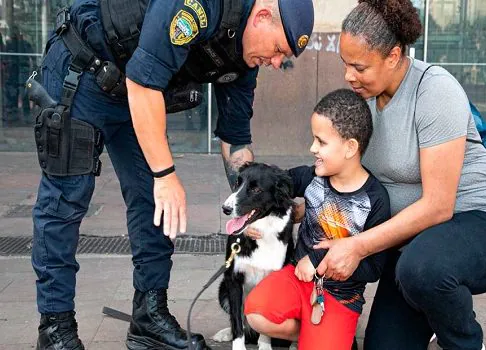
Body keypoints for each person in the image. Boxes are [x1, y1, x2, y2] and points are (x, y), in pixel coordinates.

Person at [31, 0, 314, 349]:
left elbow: (236, 144)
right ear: (262, 16)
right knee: (65, 201)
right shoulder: (200, 6)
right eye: (277, 50)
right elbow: (145, 82)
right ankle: (56, 328)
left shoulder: (244, 59)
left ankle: (148, 318)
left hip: (133, 91)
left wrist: (257, 208)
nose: (274, 63)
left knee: (153, 201)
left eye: (281, 59)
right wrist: (166, 175)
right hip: (84, 70)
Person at [312, 1, 486, 349]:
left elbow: (439, 207)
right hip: (414, 244)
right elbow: (342, 172)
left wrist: (357, 246)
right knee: (384, 344)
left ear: (394, 56)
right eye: (345, 64)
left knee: (423, 271)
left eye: (359, 66)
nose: (349, 75)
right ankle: (432, 308)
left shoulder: (434, 90)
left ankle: (464, 340)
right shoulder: (362, 101)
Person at [243, 89, 391, 350]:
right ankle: (314, 334)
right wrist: (250, 216)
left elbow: (374, 269)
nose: (312, 148)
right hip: (296, 280)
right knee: (255, 311)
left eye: (321, 142)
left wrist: (318, 261)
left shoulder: (375, 199)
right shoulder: (311, 177)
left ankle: (326, 335)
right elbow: (268, 184)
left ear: (350, 147)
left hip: (340, 297)